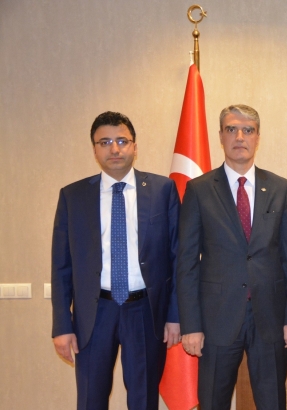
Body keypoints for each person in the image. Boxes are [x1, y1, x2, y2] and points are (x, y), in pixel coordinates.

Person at [51, 111, 181, 410]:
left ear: (135, 146)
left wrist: (175, 316)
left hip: (146, 312)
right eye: (105, 142)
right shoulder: (73, 196)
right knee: (91, 398)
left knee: (144, 399)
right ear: (95, 149)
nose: (114, 148)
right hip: (95, 313)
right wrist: (62, 325)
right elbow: (61, 267)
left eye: (122, 141)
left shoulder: (163, 190)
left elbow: (178, 258)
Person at [176, 104, 287, 409]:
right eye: (231, 129)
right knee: (212, 402)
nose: (240, 137)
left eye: (248, 130)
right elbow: (186, 263)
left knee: (273, 402)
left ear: (257, 137)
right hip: (217, 319)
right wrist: (190, 325)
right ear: (220, 136)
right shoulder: (199, 190)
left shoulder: (280, 188)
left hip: (270, 318)